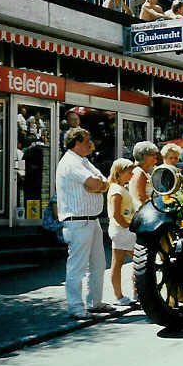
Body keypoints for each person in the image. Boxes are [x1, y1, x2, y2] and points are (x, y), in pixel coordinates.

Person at [56, 127, 112, 319]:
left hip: (91, 219)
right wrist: (97, 186)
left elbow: (104, 182)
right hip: (77, 221)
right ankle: (75, 307)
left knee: (98, 264)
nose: (90, 144)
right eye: (87, 140)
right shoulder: (71, 162)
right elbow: (97, 184)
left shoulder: (84, 161)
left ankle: (94, 302)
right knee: (77, 267)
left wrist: (98, 186)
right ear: (77, 142)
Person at [106, 159, 137, 306]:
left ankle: (126, 295)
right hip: (123, 230)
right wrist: (127, 226)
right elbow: (116, 214)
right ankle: (126, 295)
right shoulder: (117, 191)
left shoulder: (119, 188)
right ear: (119, 173)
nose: (131, 175)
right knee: (137, 261)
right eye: (129, 172)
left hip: (122, 230)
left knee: (120, 262)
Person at [129, 141, 159, 210]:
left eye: (155, 154)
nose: (155, 157)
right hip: (143, 212)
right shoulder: (139, 172)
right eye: (152, 154)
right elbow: (141, 197)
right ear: (143, 156)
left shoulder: (145, 172)